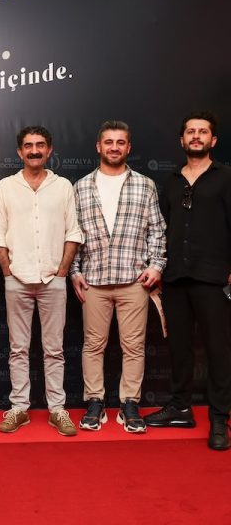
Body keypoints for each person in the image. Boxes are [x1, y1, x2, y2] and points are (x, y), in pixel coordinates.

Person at [70, 120, 166, 434]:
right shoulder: (81, 186)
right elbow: (73, 234)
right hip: (93, 281)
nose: (114, 147)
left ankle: (130, 404)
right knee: (92, 346)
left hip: (134, 281)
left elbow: (157, 231)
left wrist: (156, 266)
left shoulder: (145, 185)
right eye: (109, 142)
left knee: (134, 347)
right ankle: (95, 402)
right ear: (98, 146)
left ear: (128, 147)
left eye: (120, 142)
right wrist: (74, 271)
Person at [144, 110, 231, 451]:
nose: (196, 136)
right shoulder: (171, 181)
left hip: (213, 278)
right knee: (179, 348)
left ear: (213, 140)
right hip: (175, 277)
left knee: (218, 350)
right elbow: (161, 229)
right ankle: (180, 407)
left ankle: (220, 417)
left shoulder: (226, 177)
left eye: (203, 131)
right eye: (190, 131)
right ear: (182, 140)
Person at [0, 126, 83, 435]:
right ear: (20, 152)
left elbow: (73, 232)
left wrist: (62, 273)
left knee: (54, 349)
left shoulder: (63, 186)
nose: (34, 150)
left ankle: (57, 409)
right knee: (18, 348)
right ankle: (19, 408)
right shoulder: (6, 186)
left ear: (49, 150)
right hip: (16, 279)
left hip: (53, 280)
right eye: (28, 146)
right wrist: (7, 273)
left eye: (40, 145)